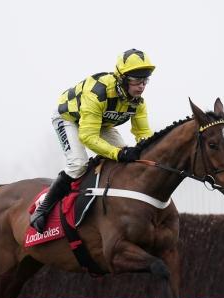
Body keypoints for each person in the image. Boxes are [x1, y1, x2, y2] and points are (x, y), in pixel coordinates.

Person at [29, 48, 156, 233]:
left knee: (127, 162)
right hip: (69, 118)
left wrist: (150, 153)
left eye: (145, 80)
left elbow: (143, 133)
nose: (142, 86)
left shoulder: (138, 103)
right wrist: (118, 153)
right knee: (78, 164)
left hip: (100, 122)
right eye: (136, 80)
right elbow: (87, 136)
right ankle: (42, 208)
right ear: (122, 78)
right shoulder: (98, 93)